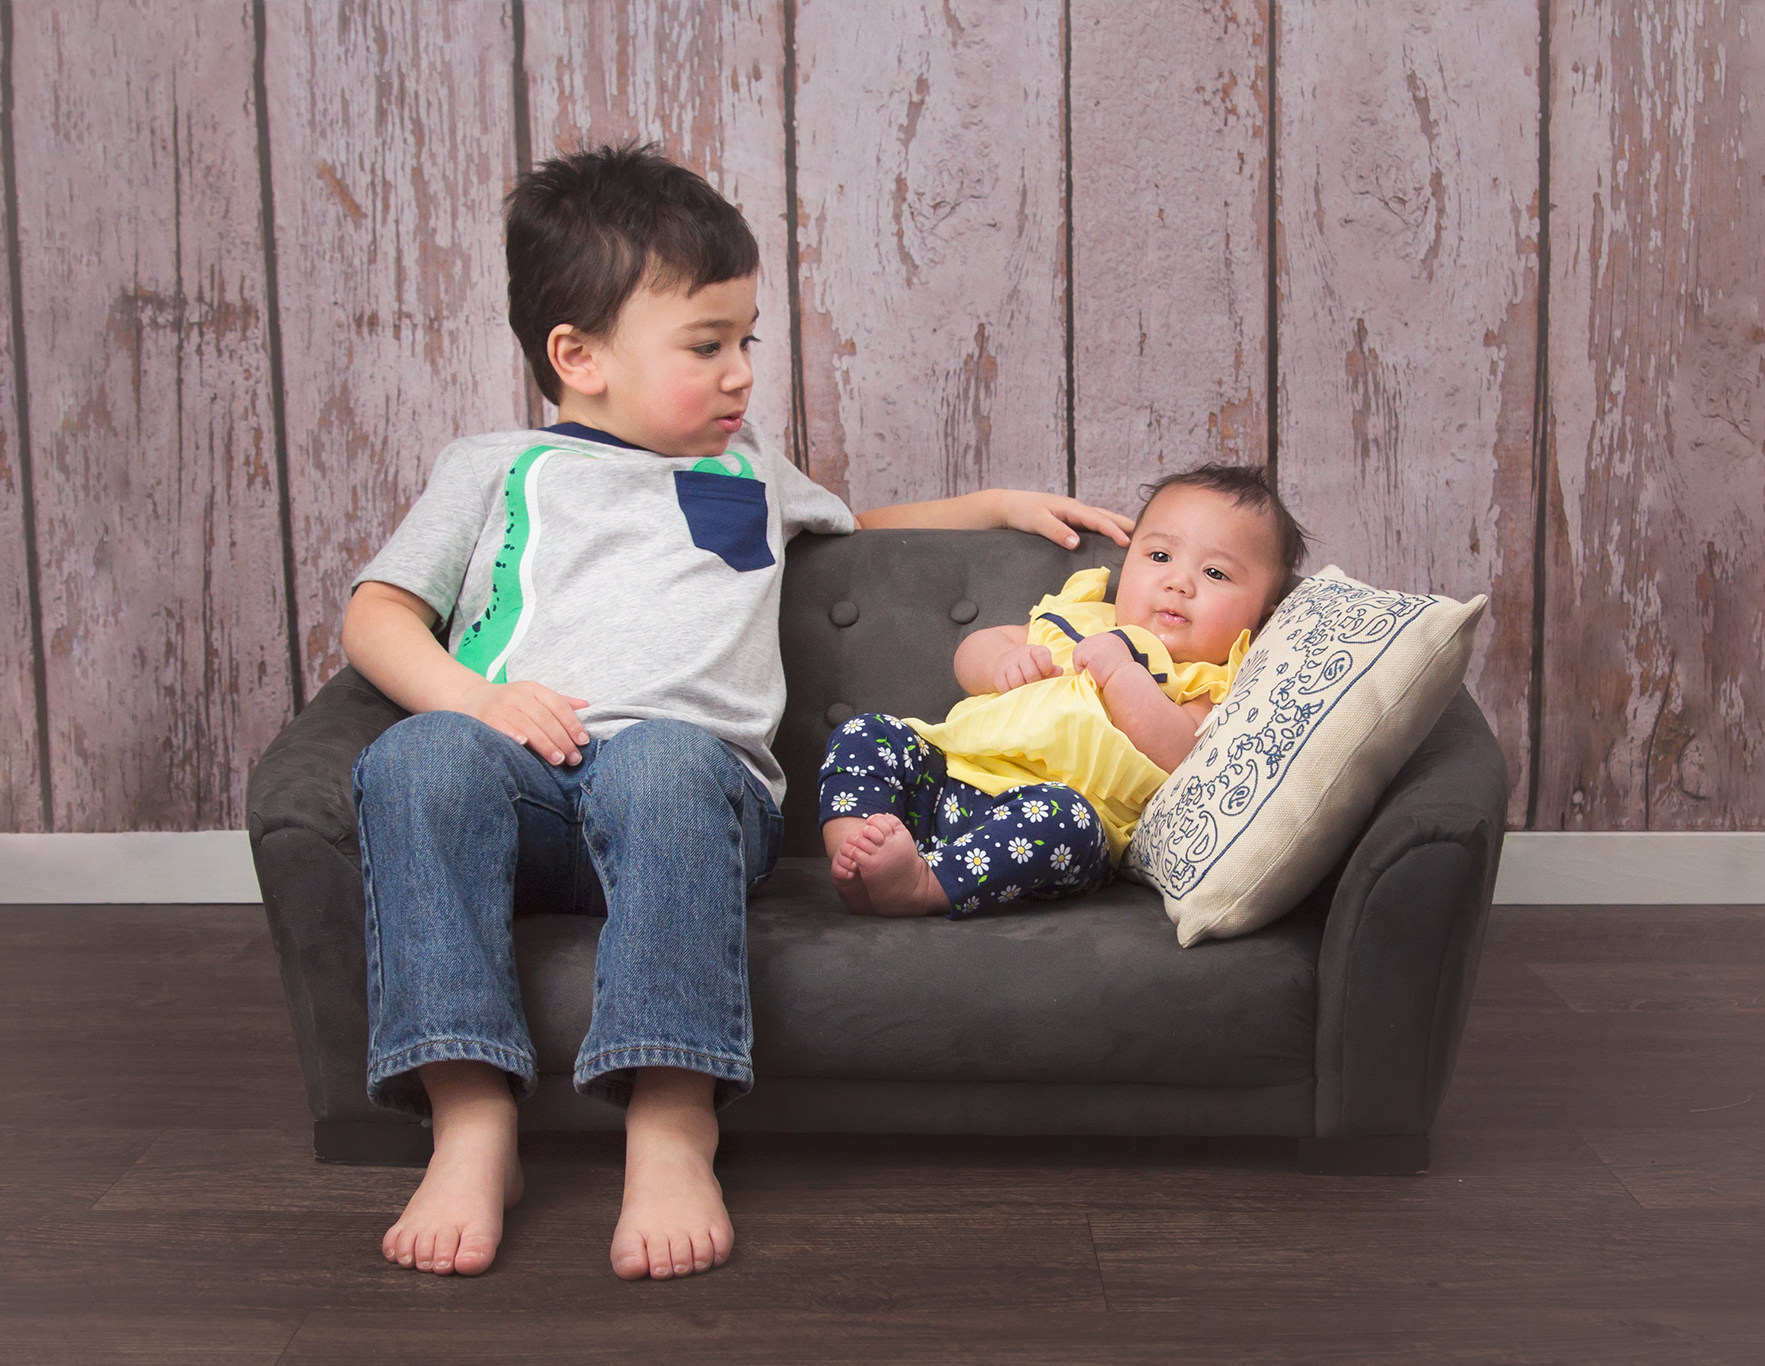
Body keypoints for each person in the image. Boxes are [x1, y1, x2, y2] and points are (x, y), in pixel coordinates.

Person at [340, 142, 1133, 1283]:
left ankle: (671, 1119)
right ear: (580, 356)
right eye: (705, 346)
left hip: (686, 796)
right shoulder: (494, 469)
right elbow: (376, 614)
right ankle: (470, 1118)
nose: (740, 374)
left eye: (745, 340)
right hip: (520, 787)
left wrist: (995, 506)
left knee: (661, 758)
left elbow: (863, 524)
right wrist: (478, 702)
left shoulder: (747, 474)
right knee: (416, 759)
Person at [820, 464, 1307, 918]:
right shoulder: (1079, 617)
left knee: (1066, 823)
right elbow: (972, 653)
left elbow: (1180, 753)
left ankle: (925, 885)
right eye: (1159, 556)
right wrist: (1000, 662)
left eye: (1215, 573)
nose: (1178, 582)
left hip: (1054, 816)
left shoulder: (1210, 677)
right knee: (869, 733)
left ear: (1263, 612)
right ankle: (857, 855)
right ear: (1128, 561)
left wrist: (1122, 676)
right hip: (951, 778)